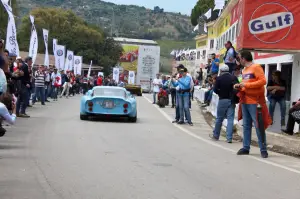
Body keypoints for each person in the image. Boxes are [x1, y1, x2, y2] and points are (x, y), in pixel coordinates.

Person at [234, 51, 270, 158]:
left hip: (255, 102)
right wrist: (240, 86)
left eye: (240, 58)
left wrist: (246, 85)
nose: (239, 60)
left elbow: (263, 81)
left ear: (244, 58)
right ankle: (246, 147)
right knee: (246, 125)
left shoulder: (256, 67)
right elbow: (247, 85)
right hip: (245, 100)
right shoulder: (244, 70)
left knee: (259, 126)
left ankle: (263, 149)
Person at [210, 65, 239, 143]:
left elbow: (215, 90)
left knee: (219, 118)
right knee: (230, 119)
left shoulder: (219, 78)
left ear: (221, 71)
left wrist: (220, 93)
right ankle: (229, 138)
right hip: (232, 100)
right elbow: (238, 88)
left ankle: (216, 136)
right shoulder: (234, 78)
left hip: (223, 99)